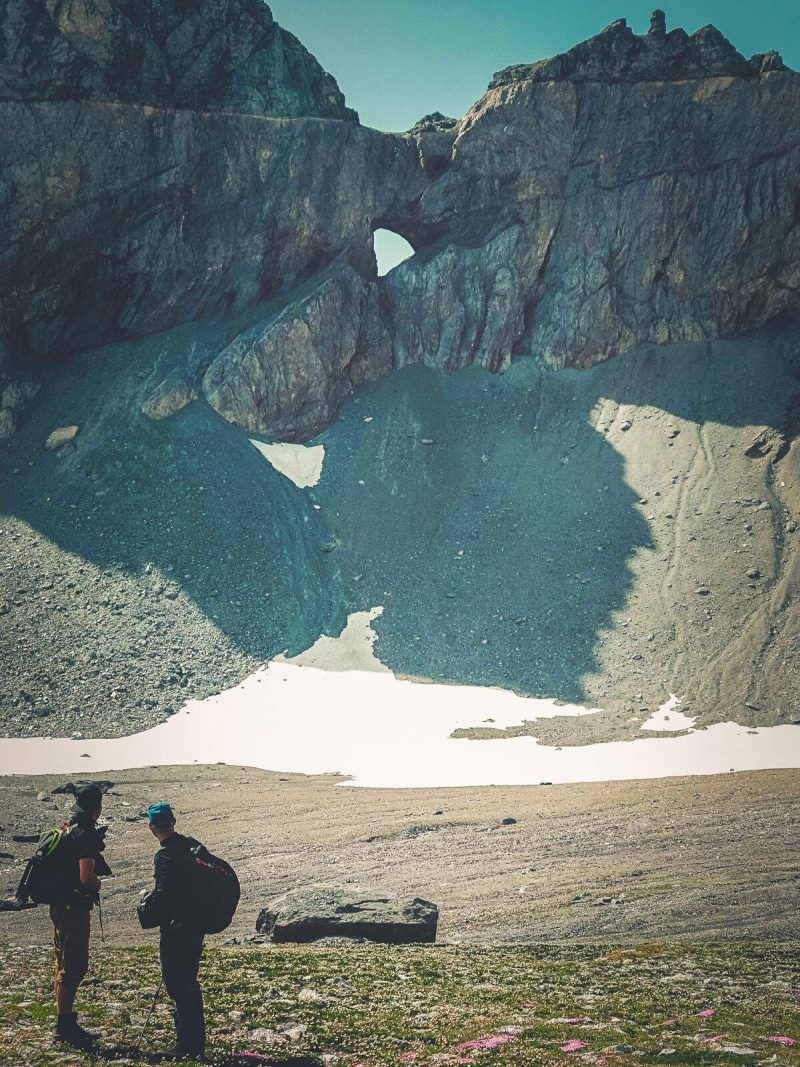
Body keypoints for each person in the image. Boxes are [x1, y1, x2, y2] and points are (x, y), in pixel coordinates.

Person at [51, 782, 110, 1049]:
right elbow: (86, 878)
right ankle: (65, 1027)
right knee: (74, 965)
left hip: (59, 903)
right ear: (97, 807)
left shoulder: (69, 827)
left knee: (63, 962)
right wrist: (97, 884)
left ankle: (64, 1022)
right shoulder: (85, 834)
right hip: (74, 907)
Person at [146, 801, 206, 1060]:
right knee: (189, 983)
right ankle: (195, 1042)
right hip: (196, 926)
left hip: (177, 929)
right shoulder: (192, 846)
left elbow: (165, 896)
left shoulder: (165, 855)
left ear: (152, 828)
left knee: (178, 985)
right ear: (173, 822)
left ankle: (186, 1045)